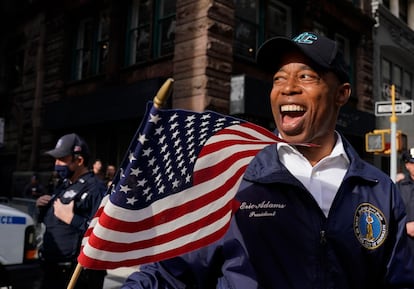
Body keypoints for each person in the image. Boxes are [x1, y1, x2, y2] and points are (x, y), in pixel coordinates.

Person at [121, 32, 414, 289]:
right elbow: (171, 272)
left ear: (341, 94)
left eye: (306, 76)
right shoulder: (232, 178)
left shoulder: (380, 190)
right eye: (278, 78)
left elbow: (400, 280)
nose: (288, 88)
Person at [36, 133, 107, 289]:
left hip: (75, 274)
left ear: (79, 160)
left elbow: (102, 232)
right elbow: (52, 222)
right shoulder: (63, 185)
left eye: (62, 159)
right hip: (51, 269)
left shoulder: (95, 188)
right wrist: (42, 208)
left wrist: (71, 218)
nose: (57, 164)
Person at [397, 147, 414, 253]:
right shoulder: (399, 187)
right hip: (406, 247)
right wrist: (405, 226)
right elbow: (391, 215)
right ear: (407, 165)